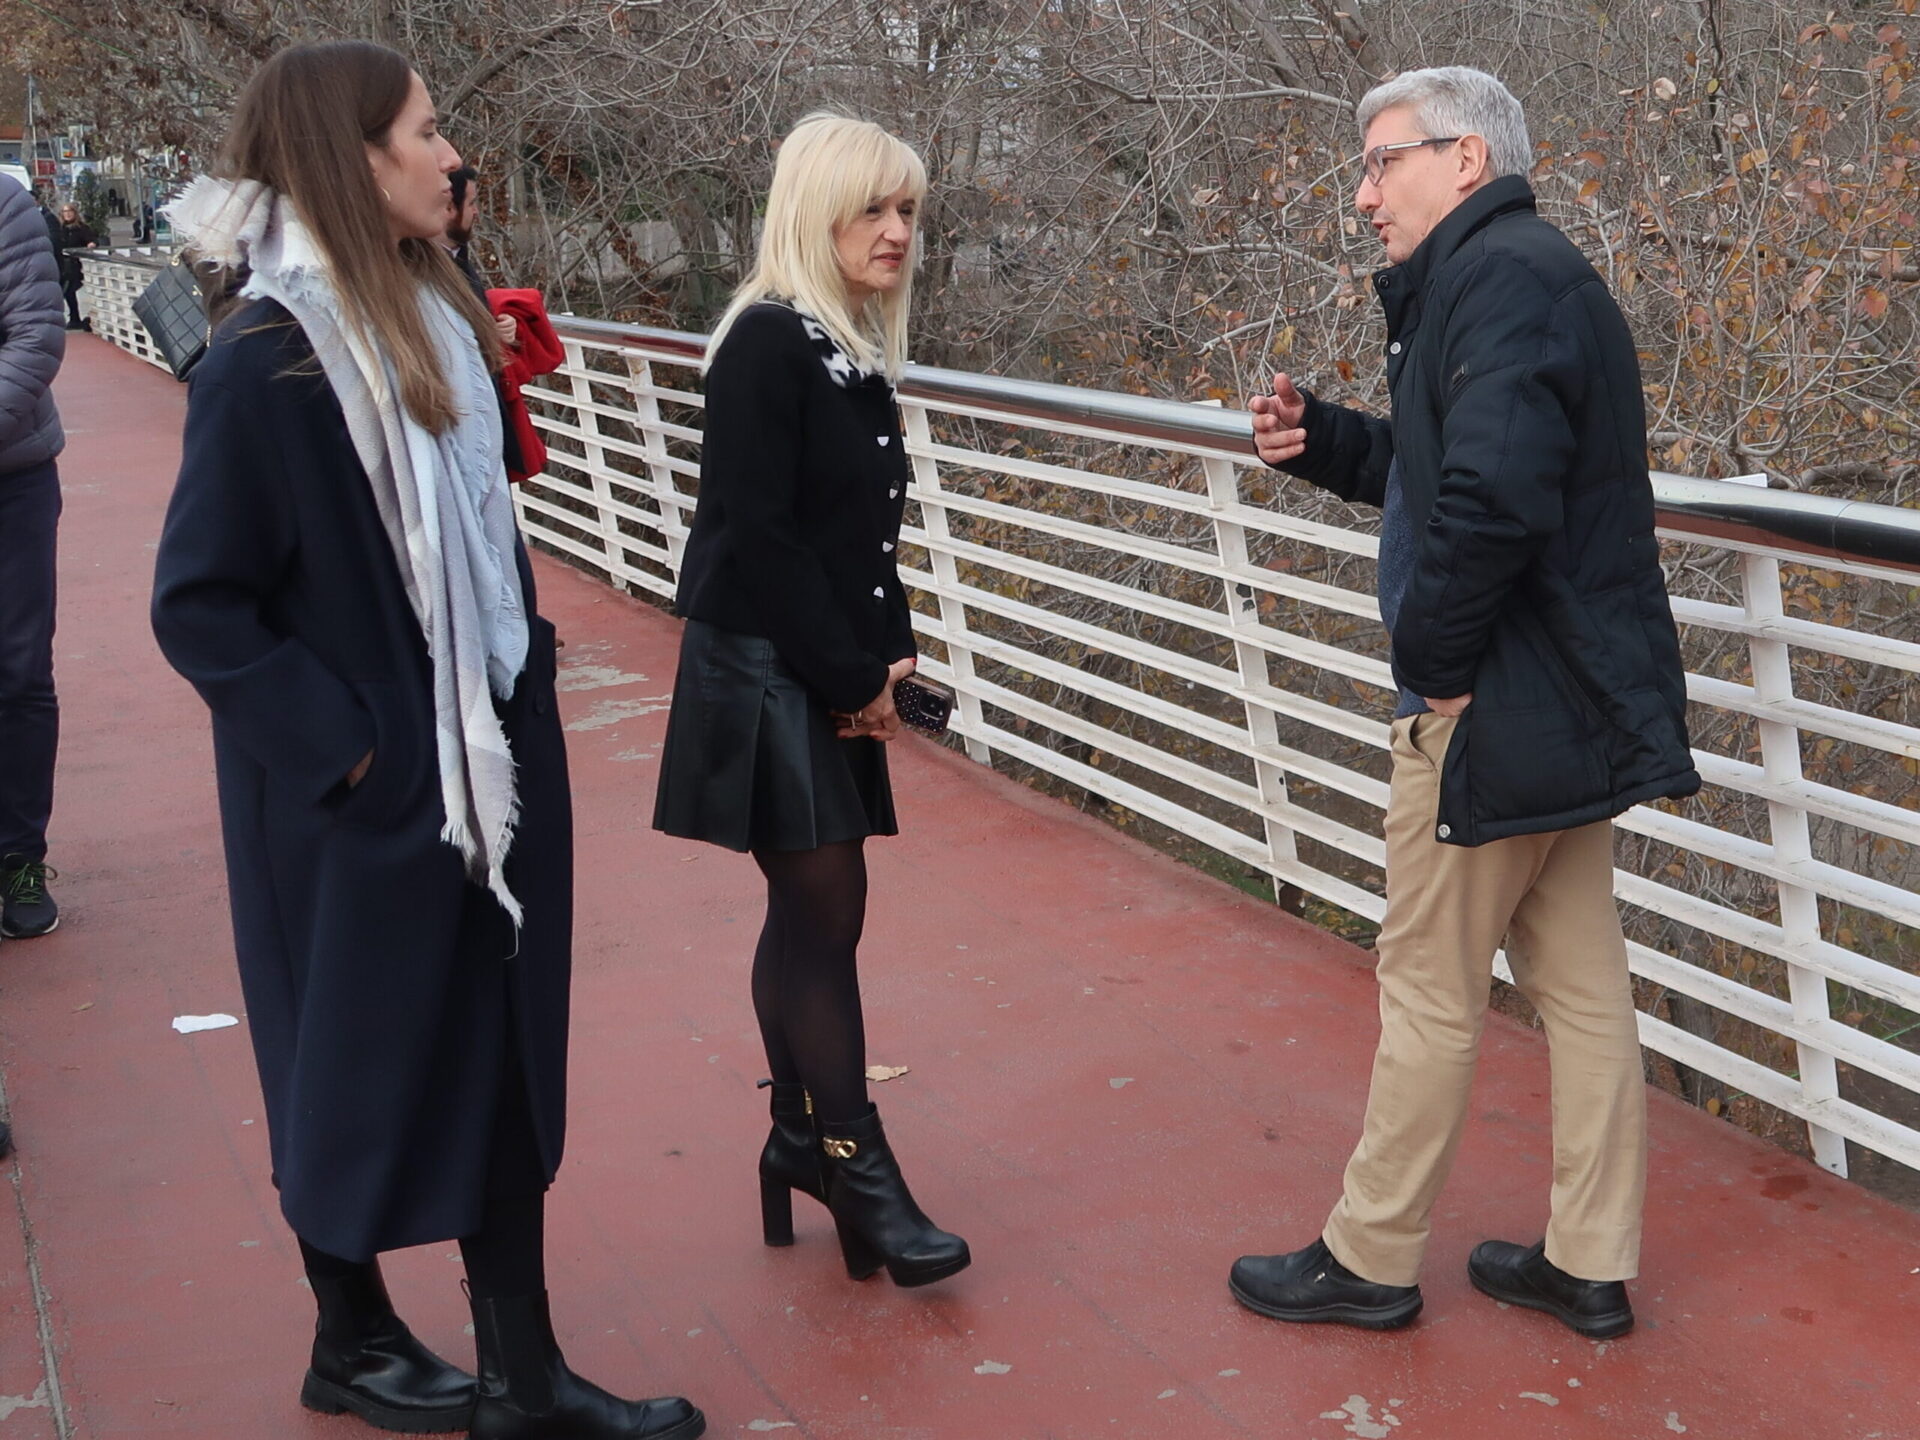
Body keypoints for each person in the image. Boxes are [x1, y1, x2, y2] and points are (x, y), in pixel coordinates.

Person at [152, 41, 703, 1440]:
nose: (452, 153)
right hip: (372, 793)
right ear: (357, 160)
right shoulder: (269, 363)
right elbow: (198, 606)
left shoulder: (428, 319)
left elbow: (475, 528)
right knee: (350, 1060)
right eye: (426, 130)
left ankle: (522, 1377)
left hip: (487, 759)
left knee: (500, 1054)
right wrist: (357, 755)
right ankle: (350, 1334)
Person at [1228, 67, 1700, 1339]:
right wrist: (1330, 442)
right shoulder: (1516, 283)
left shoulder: (1500, 284)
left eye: (1384, 164)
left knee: (1429, 980)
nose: (1364, 196)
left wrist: (1433, 668)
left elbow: (1491, 507)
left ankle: (1370, 1255)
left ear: (1469, 159)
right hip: (1562, 701)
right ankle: (1589, 1261)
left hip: (1492, 708)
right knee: (1584, 984)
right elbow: (1452, 469)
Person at [653, 113, 969, 1289]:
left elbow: (855, 540)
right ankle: (854, 1163)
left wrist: (888, 659)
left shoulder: (833, 342)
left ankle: (801, 1138)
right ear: (815, 211)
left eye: (908, 214)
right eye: (874, 210)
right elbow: (763, 539)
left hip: (816, 656)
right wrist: (851, 676)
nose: (897, 233)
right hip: (763, 664)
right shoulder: (765, 344)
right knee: (826, 906)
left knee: (808, 914)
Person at [0, 174, 67, 945]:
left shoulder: (7, 207)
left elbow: (37, 333)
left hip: (11, 478)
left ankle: (18, 857)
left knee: (17, 672)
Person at [55, 203, 96, 330]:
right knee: (67, 292)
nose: (67, 214)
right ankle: (74, 317)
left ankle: (77, 317)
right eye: (64, 211)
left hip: (76, 264)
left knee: (70, 289)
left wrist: (91, 245)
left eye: (70, 211)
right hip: (62, 264)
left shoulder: (81, 228)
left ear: (74, 212)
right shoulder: (60, 229)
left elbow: (91, 240)